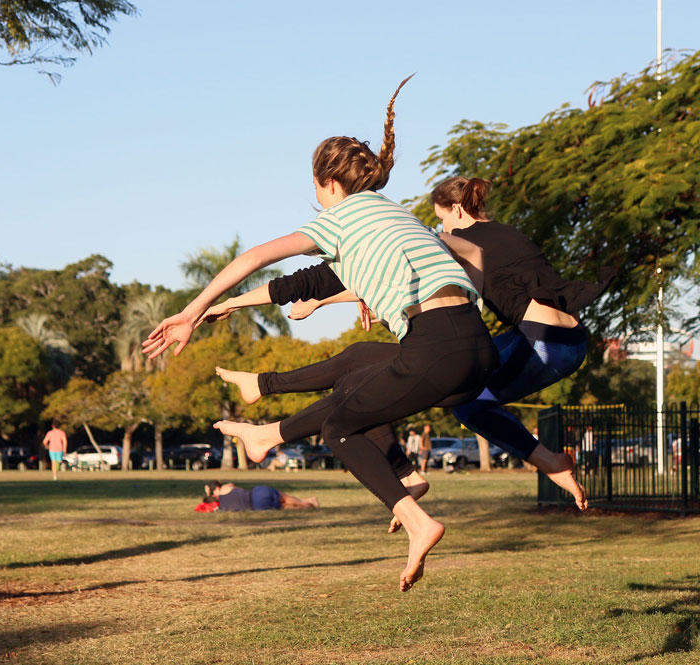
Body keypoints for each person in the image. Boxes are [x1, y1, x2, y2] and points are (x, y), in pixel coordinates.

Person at [143, 77, 498, 592]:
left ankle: (420, 524)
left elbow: (257, 256)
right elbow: (313, 282)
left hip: (435, 345)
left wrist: (190, 309)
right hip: (475, 346)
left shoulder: (340, 219)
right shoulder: (395, 217)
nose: (314, 196)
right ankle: (273, 434)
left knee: (340, 429)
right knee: (356, 369)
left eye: (313, 187)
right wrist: (227, 306)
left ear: (327, 183)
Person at [205, 174, 609, 512]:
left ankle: (545, 462)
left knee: (444, 392)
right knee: (399, 378)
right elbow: (396, 273)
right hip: (564, 338)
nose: (441, 229)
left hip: (542, 345)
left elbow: (397, 265)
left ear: (457, 211)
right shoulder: (506, 234)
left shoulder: (457, 237)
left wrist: (322, 299)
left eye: (442, 220)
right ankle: (270, 414)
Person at [200, 480, 318, 511]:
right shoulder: (225, 488)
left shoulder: (223, 506)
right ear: (216, 488)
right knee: (284, 498)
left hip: (257, 506)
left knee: (284, 506)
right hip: (257, 493)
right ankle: (305, 502)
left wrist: (210, 494)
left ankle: (306, 505)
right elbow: (232, 485)